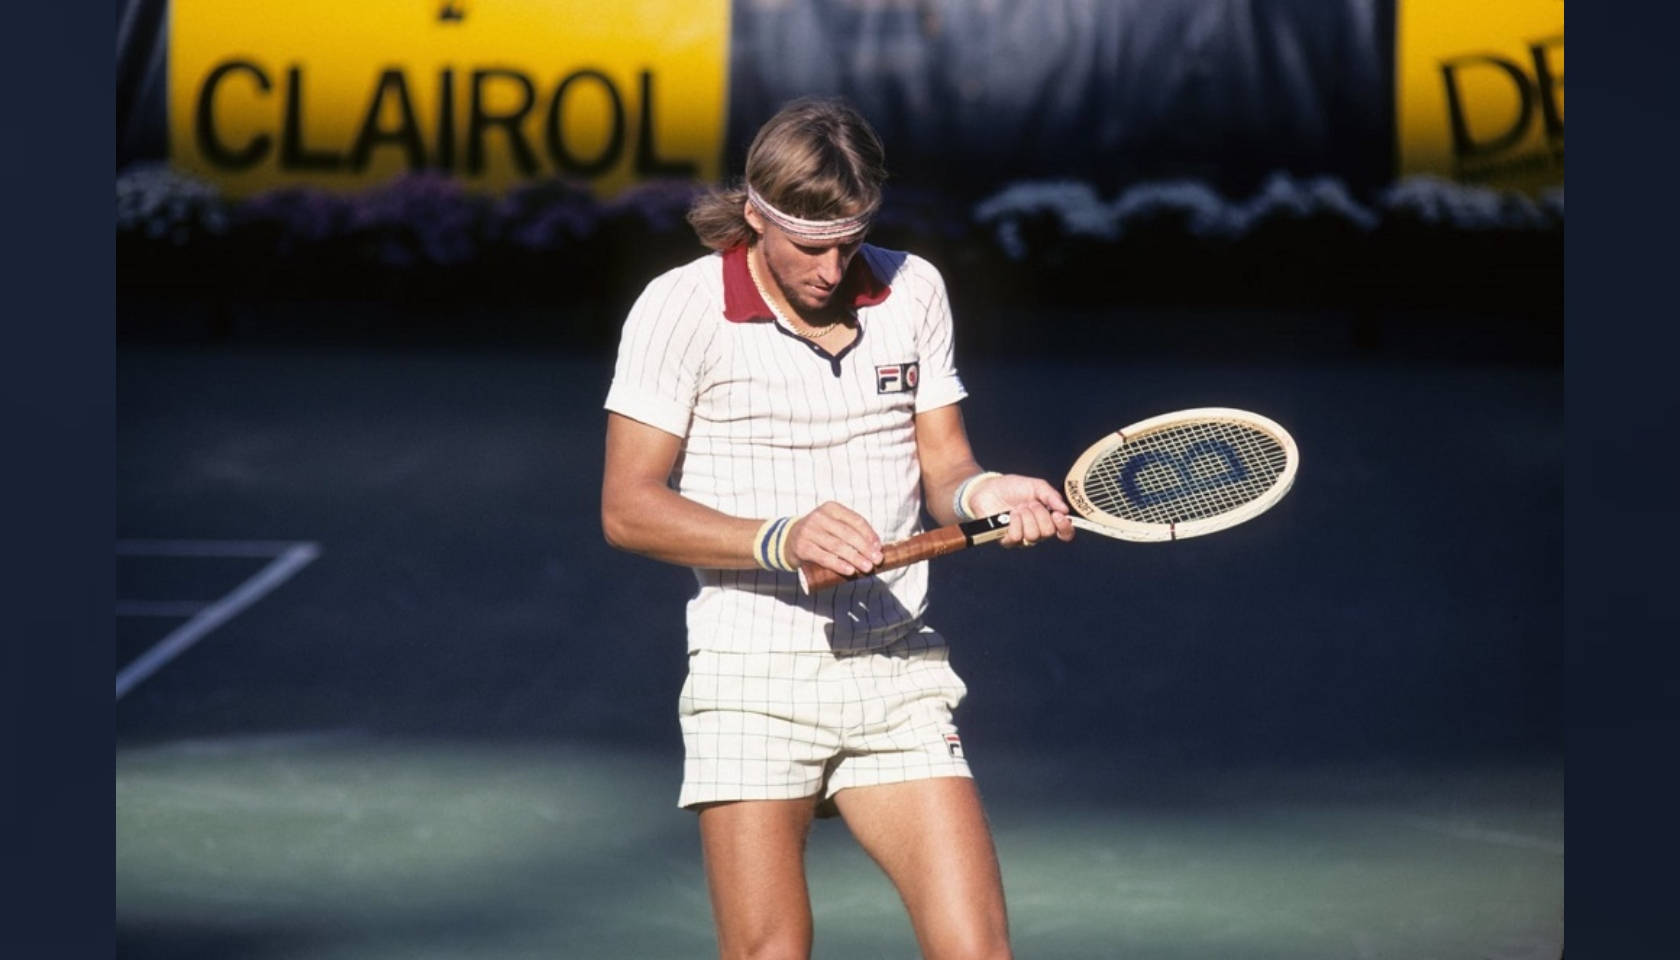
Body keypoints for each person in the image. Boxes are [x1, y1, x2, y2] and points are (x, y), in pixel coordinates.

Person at [600, 96, 1073, 960]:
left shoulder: (914, 288)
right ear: (754, 215)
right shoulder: (678, 310)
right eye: (809, 246)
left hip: (897, 666)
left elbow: (949, 473)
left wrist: (991, 493)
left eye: (848, 244)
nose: (830, 268)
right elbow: (628, 507)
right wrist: (781, 539)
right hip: (750, 674)